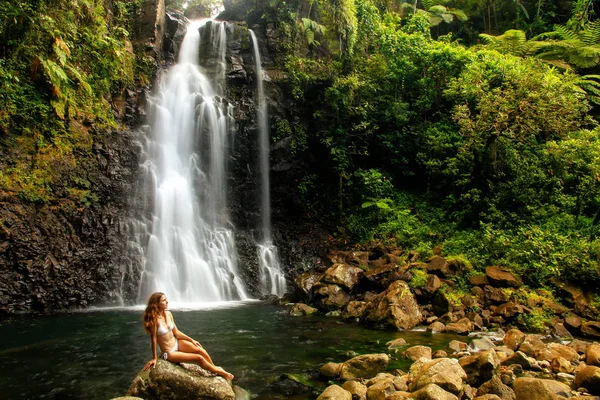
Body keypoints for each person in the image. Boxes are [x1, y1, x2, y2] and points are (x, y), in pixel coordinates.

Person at [142, 292, 234, 380]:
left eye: (166, 299)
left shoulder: (168, 314)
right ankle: (220, 371)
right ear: (156, 304)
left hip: (177, 343)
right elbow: (153, 339)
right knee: (199, 358)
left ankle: (214, 369)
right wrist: (154, 358)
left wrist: (192, 340)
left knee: (200, 349)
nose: (167, 301)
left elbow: (176, 332)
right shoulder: (154, 320)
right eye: (164, 300)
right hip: (169, 352)